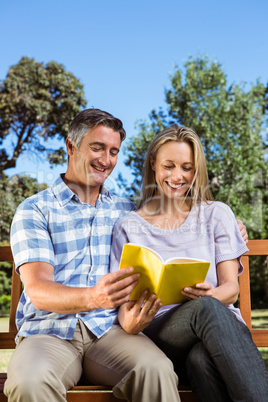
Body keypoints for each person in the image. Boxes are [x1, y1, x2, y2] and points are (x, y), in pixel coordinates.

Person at [5, 109, 248, 402]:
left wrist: (233, 229)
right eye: (97, 148)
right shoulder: (35, 210)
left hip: (110, 333)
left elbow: (168, 225)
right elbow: (39, 290)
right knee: (31, 383)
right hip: (49, 332)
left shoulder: (126, 211)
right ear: (70, 146)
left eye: (113, 151)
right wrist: (93, 297)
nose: (106, 160)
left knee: (156, 370)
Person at [110, 124, 268, 402]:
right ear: (153, 164)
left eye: (187, 167)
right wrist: (131, 323)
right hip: (162, 336)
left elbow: (231, 289)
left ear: (197, 171)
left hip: (218, 335)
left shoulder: (216, 214)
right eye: (168, 166)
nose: (177, 176)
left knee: (200, 359)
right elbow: (123, 309)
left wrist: (211, 294)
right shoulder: (128, 226)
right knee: (204, 310)